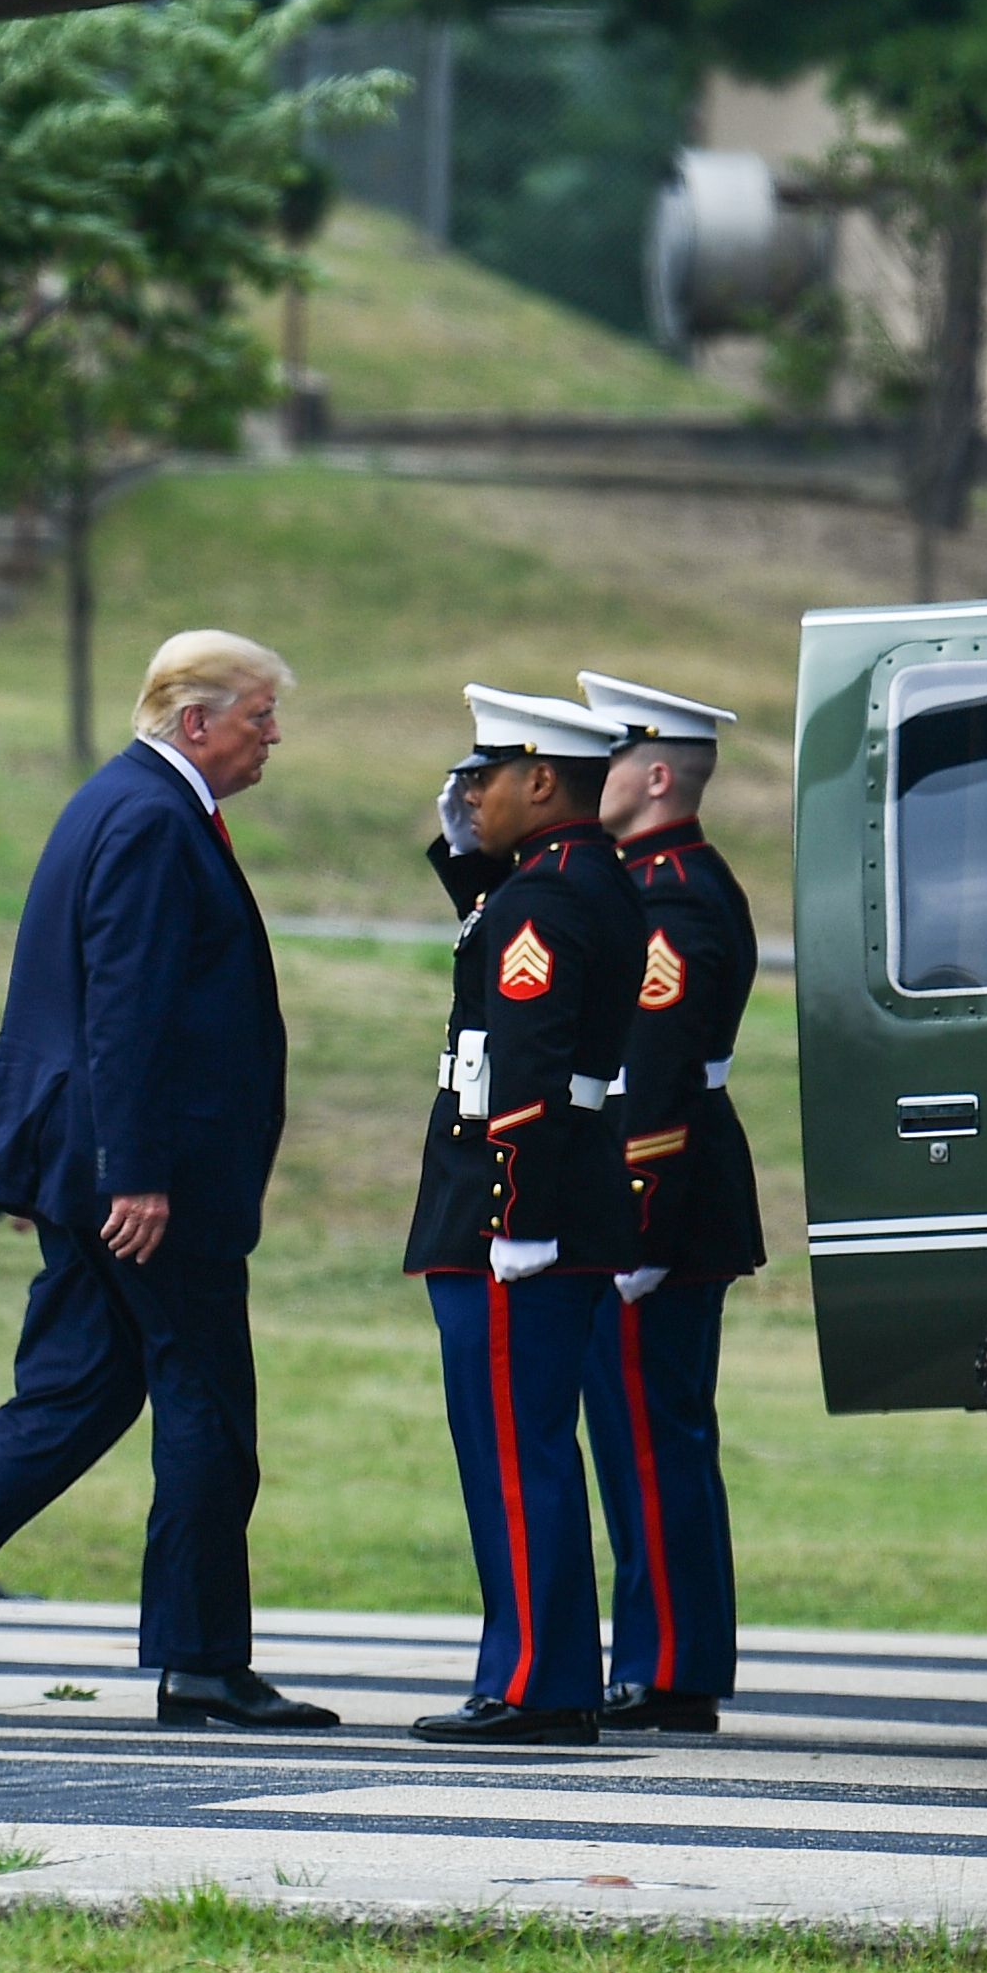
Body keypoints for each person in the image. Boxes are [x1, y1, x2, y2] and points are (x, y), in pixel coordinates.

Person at [0, 631, 329, 1733]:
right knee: (204, 1403)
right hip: (148, 1181)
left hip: (94, 1166)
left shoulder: (117, 799)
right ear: (195, 720)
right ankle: (200, 1661)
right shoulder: (153, 818)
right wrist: (136, 1175)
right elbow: (124, 1007)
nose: (272, 735)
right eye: (258, 714)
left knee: (73, 1394)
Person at [405, 687, 645, 1747]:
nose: (467, 794)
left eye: (484, 778)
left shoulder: (547, 900)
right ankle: (532, 1673)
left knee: (514, 1452)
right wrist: (463, 855)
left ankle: (540, 1685)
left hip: (514, 1210)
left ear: (540, 780)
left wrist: (515, 1218)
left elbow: (528, 1073)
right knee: (523, 1448)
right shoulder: (569, 881)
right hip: (545, 1198)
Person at [578, 670, 766, 1732]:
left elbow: (655, 1069)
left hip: (664, 1200)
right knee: (640, 1435)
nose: (584, 779)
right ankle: (657, 1654)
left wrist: (635, 1221)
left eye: (605, 761)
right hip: (660, 1195)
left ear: (654, 776)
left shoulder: (675, 895)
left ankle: (668, 1667)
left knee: (653, 1438)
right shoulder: (647, 880)